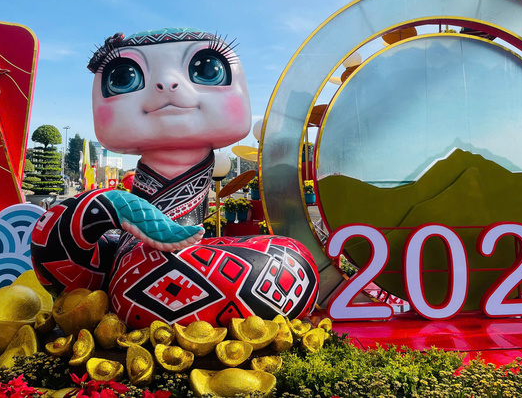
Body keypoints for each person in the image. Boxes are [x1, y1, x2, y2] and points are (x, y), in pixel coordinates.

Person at [31, 28, 319, 328]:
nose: (167, 83)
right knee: (289, 262)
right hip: (129, 269)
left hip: (140, 273)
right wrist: (114, 206)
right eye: (124, 77)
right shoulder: (114, 255)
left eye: (207, 70)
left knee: (291, 260)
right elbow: (52, 250)